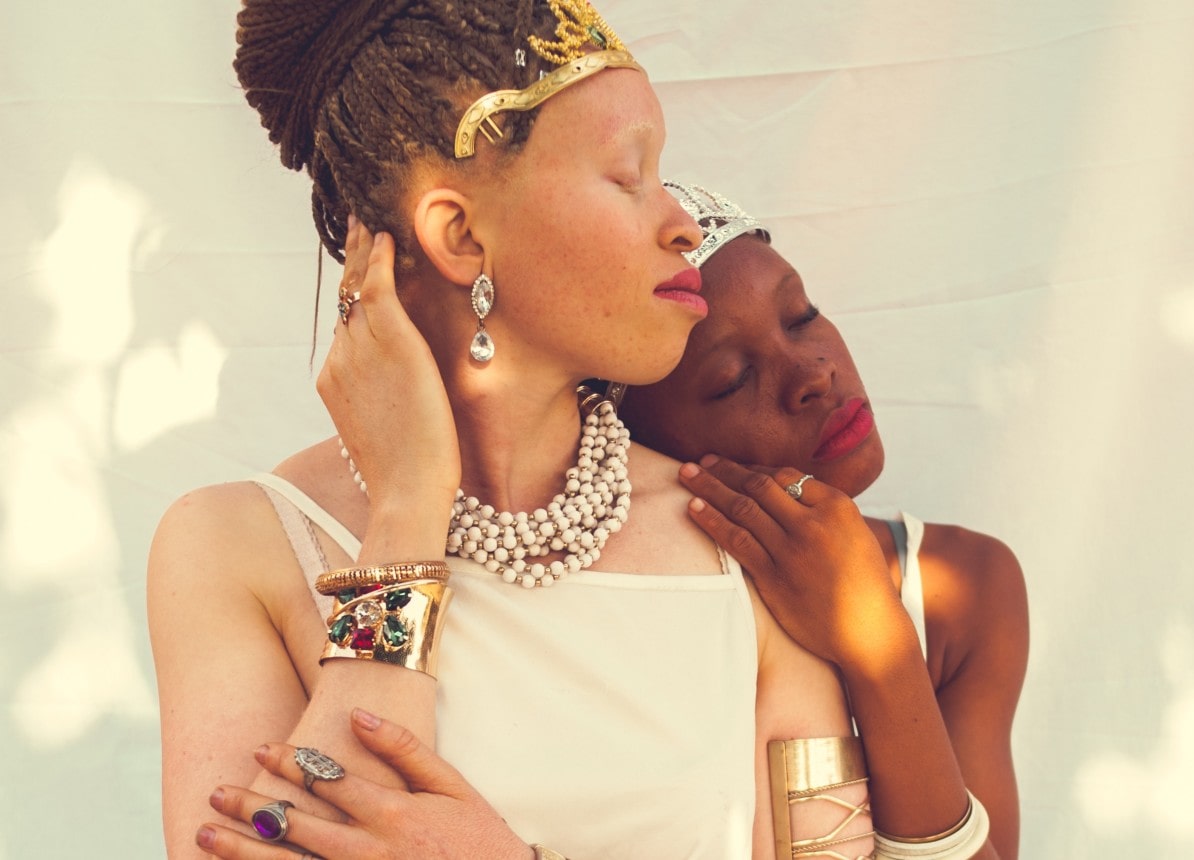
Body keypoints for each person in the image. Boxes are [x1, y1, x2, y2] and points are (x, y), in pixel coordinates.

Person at [149, 3, 870, 859]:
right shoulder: (237, 546)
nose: (681, 222)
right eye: (629, 176)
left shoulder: (738, 537)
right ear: (459, 235)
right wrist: (406, 515)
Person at [616, 183, 1030, 858]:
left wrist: (876, 643)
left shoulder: (964, 586)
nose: (810, 372)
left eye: (802, 315)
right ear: (646, 449)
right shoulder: (650, 610)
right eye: (730, 379)